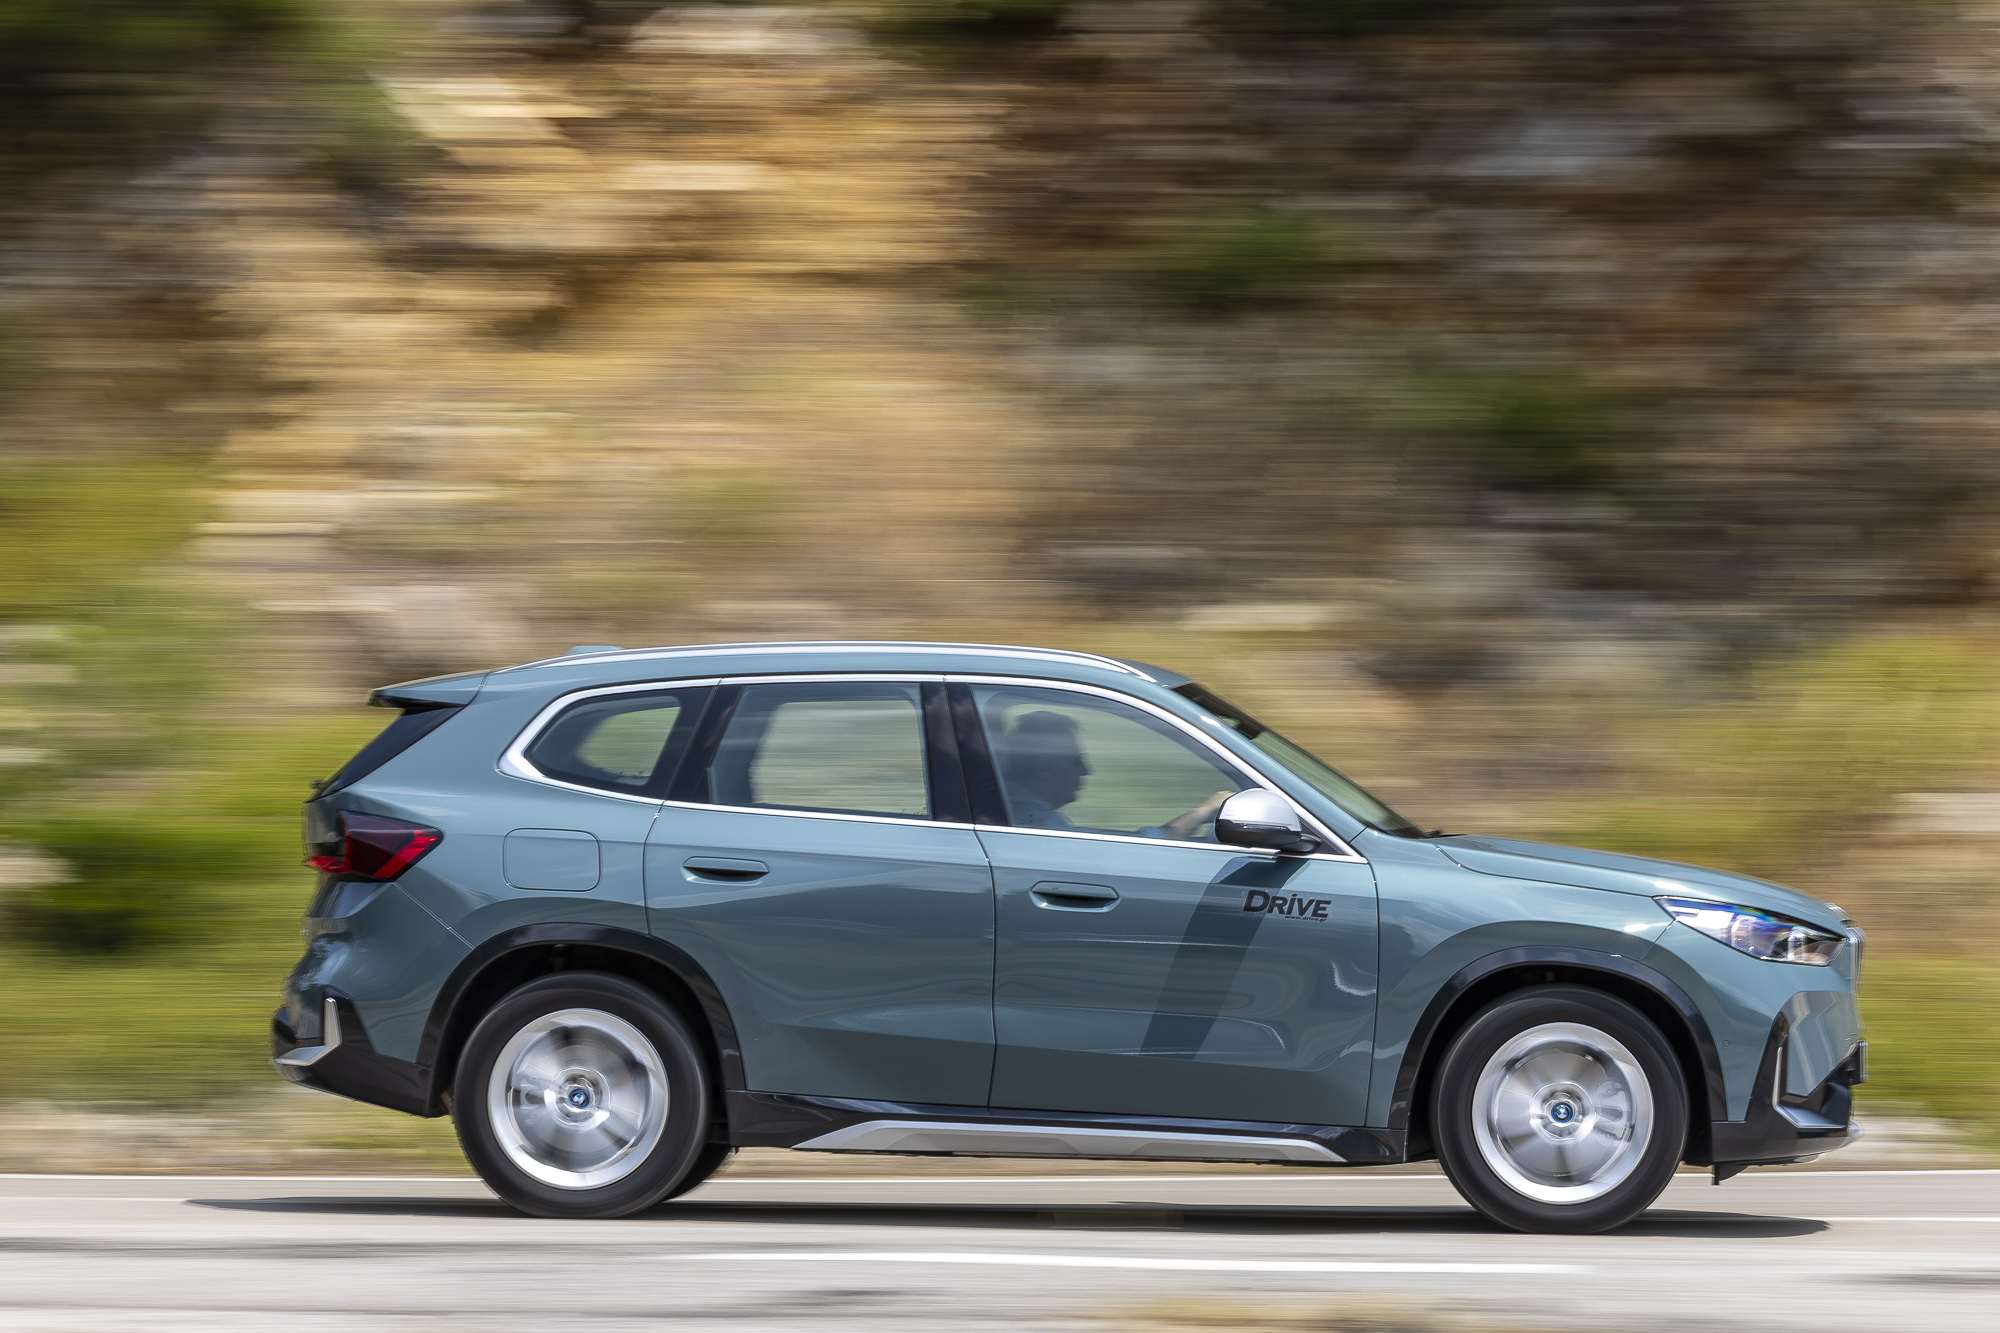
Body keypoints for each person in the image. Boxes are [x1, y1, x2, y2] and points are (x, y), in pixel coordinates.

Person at [998, 709, 1234, 840]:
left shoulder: (1014, 809)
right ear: (1043, 765)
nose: (1086, 770)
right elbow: (1133, 856)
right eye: (1075, 760)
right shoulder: (1036, 821)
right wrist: (1202, 812)